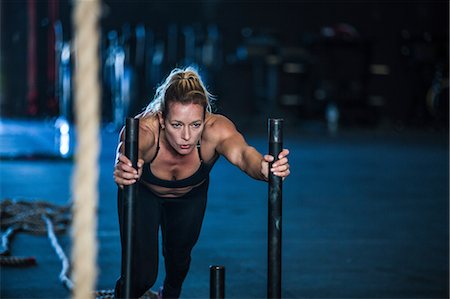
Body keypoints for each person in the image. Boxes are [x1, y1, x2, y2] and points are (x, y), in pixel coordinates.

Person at [113, 66, 290, 298]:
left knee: (178, 265)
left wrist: (264, 167)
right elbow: (129, 149)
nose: (186, 137)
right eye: (177, 125)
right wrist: (124, 164)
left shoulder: (216, 129)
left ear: (205, 117)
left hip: (189, 198)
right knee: (141, 277)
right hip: (144, 196)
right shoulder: (146, 129)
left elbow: (244, 154)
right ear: (162, 119)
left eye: (195, 125)